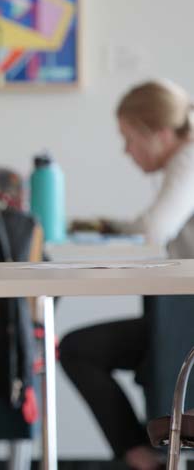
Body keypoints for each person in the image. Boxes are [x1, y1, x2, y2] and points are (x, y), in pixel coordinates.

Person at [61, 79, 194, 470]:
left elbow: (154, 229)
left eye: (129, 138)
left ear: (159, 133)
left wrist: (109, 229)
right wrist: (108, 226)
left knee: (78, 349)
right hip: (179, 319)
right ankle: (144, 458)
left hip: (186, 324)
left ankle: (142, 460)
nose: (127, 151)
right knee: (80, 349)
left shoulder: (189, 158)